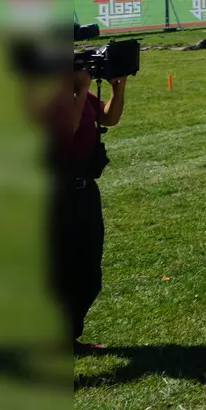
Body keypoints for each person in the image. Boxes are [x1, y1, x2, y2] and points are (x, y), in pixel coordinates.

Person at [48, 63, 126, 352]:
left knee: (88, 273)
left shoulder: (75, 90)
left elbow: (108, 118)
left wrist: (119, 90)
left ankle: (66, 339)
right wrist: (80, 89)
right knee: (58, 270)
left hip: (83, 191)